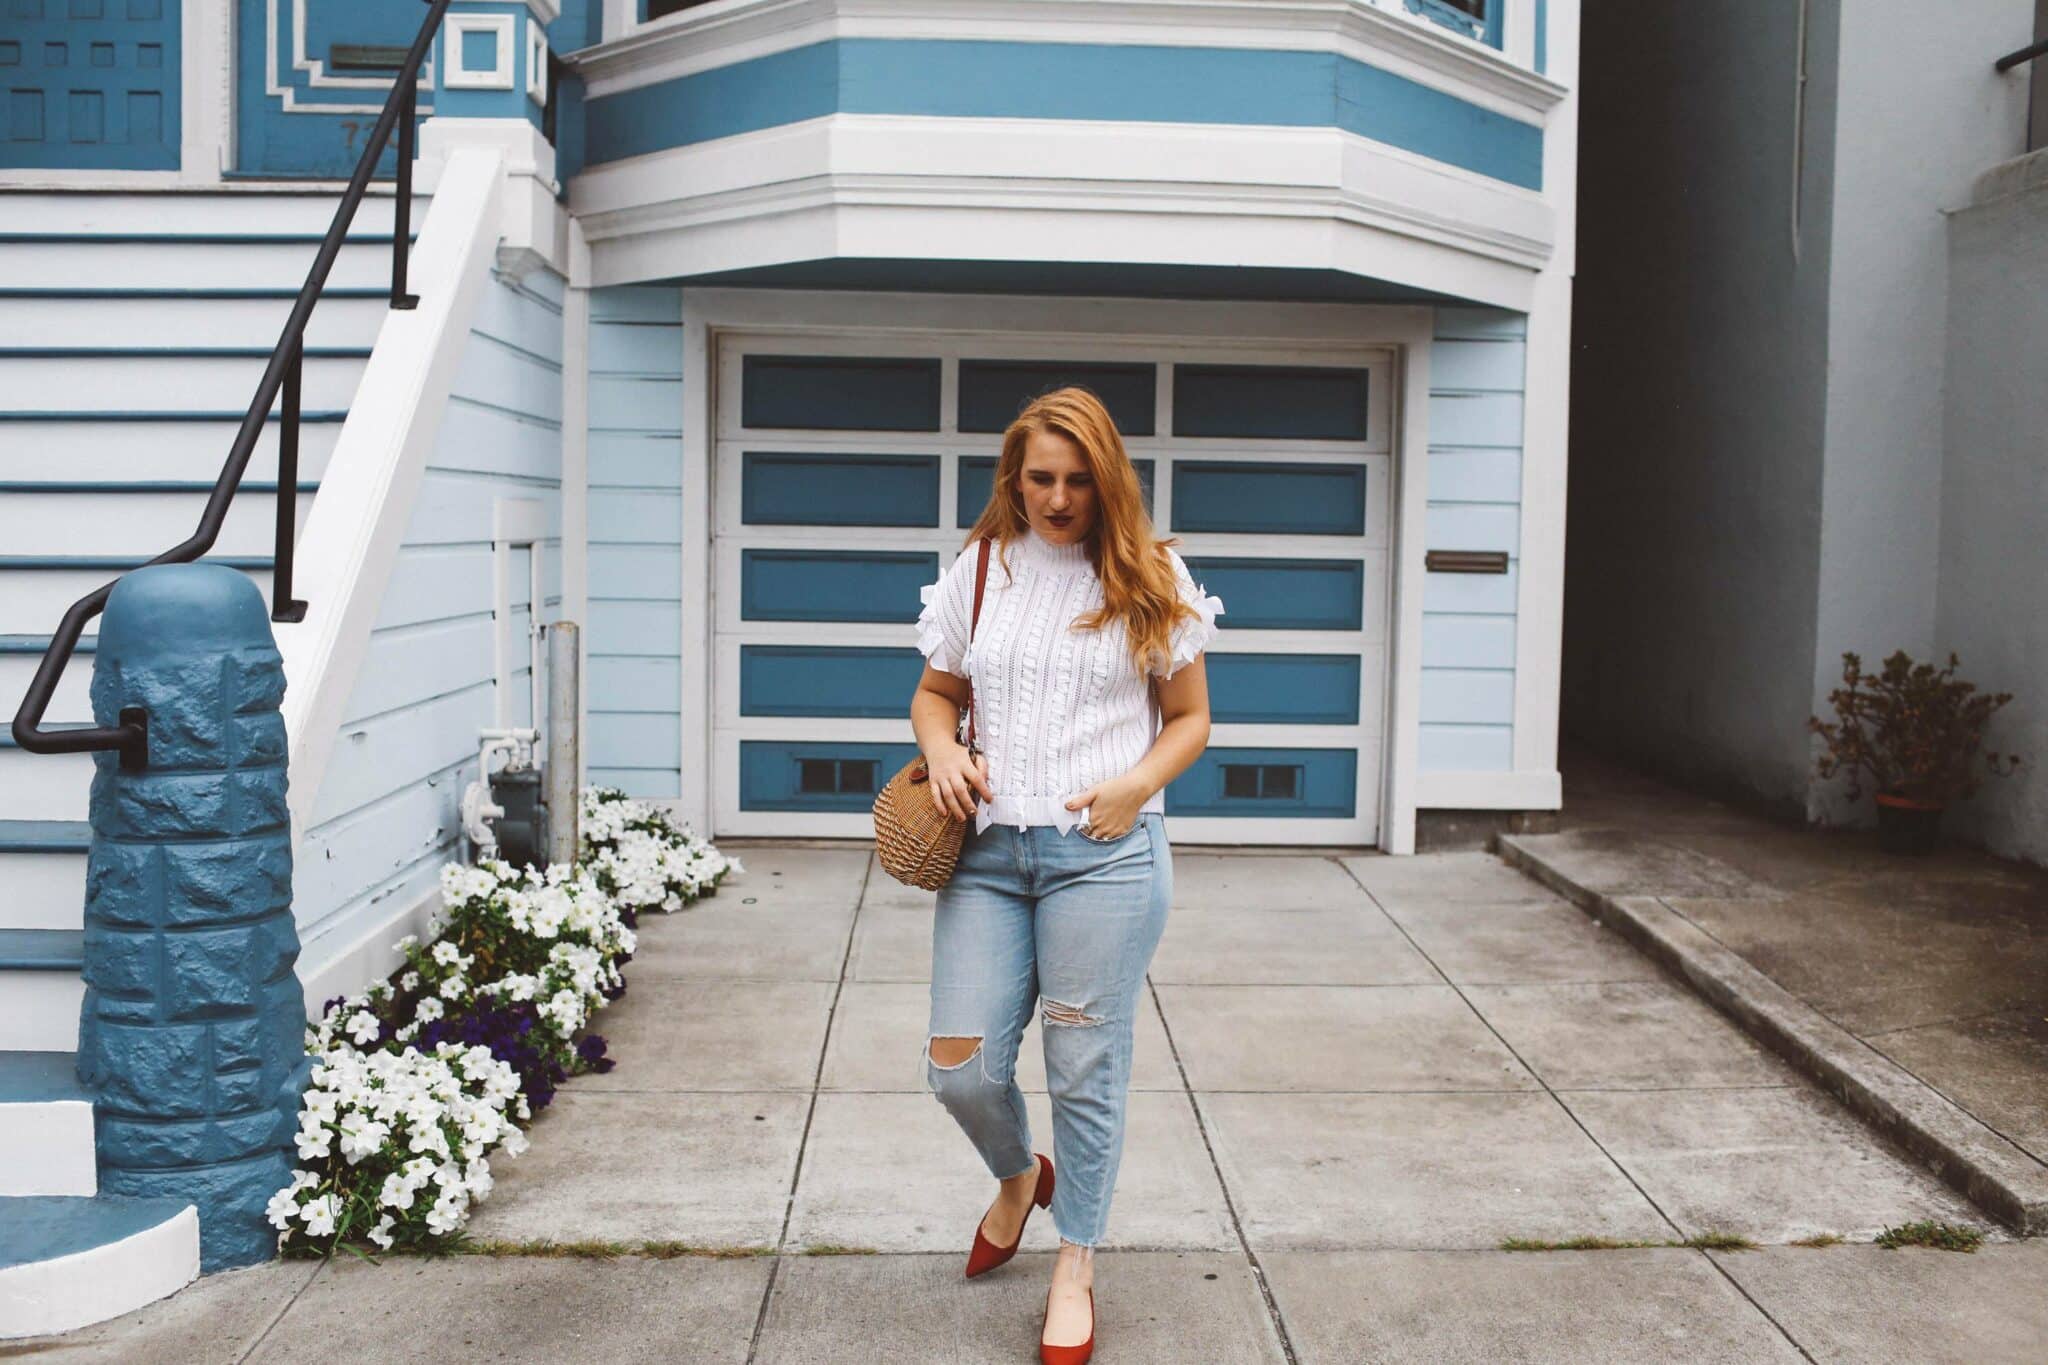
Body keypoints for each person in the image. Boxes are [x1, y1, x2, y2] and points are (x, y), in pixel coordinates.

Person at [909, 386, 1222, 1364]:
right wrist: (945, 752)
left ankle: (1075, 1260)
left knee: (1083, 1065)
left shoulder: (1146, 576)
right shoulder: (981, 569)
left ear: (1106, 480)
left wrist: (1134, 785)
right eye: (1039, 478)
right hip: (989, 856)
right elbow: (933, 694)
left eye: (1076, 480)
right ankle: (1016, 1176)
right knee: (956, 1068)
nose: (1055, 498)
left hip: (1104, 861)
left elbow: (1189, 719)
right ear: (1014, 476)